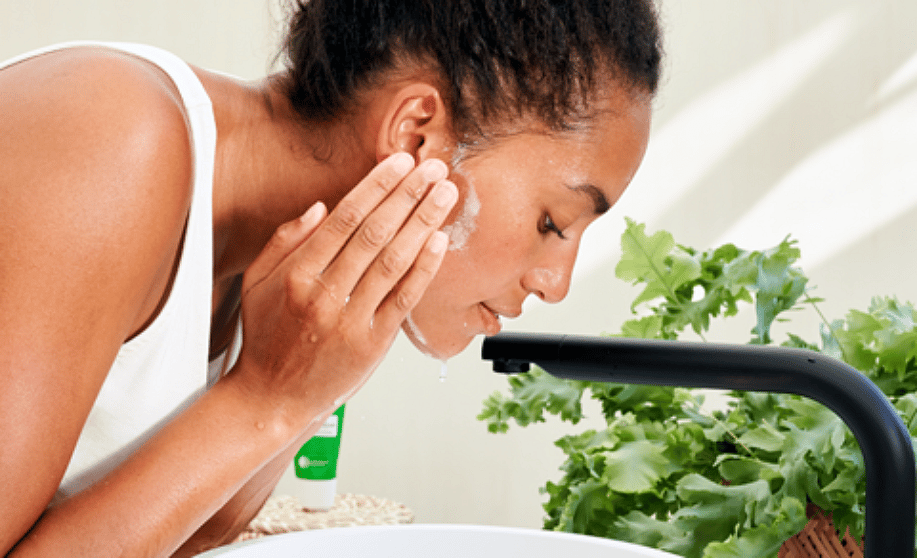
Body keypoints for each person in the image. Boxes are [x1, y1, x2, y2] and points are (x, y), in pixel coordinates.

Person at [0, 0, 661, 555]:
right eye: (554, 222)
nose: (555, 283)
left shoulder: (280, 286)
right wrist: (264, 399)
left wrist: (289, 392)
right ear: (415, 137)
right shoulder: (108, 135)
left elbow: (185, 539)